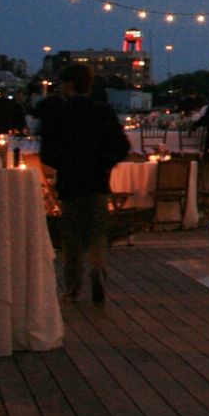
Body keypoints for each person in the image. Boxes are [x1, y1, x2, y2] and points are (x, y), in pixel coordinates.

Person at [38, 63, 130, 304]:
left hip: (70, 180)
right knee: (97, 231)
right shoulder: (104, 111)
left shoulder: (57, 114)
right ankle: (98, 266)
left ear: (68, 85)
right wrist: (105, 163)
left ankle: (73, 289)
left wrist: (63, 163)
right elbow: (122, 146)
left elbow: (47, 153)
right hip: (98, 179)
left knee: (72, 236)